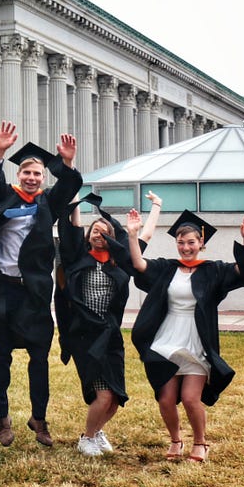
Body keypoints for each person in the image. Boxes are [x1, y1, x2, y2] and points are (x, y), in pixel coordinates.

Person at [0, 119, 82, 447]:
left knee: (39, 356)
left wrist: (67, 163)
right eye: (27, 173)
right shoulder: (2, 198)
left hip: (33, 294)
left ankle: (38, 418)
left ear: (43, 178)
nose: (31, 178)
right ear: (18, 175)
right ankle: (2, 418)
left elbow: (68, 188)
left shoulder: (47, 203)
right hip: (2, 291)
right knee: (1, 355)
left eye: (37, 174)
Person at [127, 209, 244, 463]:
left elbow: (242, 272)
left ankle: (200, 443)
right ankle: (176, 440)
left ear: (201, 243)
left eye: (191, 242)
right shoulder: (167, 268)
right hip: (167, 339)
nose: (186, 248)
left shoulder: (213, 270)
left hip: (196, 341)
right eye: (181, 243)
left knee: (189, 398)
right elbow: (139, 265)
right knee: (165, 399)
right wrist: (133, 235)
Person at [55, 191, 161, 457]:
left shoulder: (121, 263)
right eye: (94, 230)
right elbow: (73, 225)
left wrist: (157, 207)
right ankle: (87, 438)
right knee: (103, 395)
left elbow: (145, 237)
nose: (98, 234)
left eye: (104, 232)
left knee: (115, 397)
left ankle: (97, 432)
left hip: (110, 334)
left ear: (112, 238)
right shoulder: (77, 257)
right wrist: (74, 195)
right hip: (85, 334)